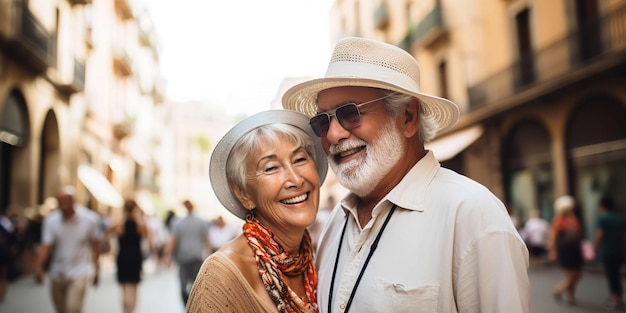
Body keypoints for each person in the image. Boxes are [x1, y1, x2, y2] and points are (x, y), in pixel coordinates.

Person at [282, 36, 529, 312]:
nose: (333, 134)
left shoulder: (472, 215)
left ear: (408, 117)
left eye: (349, 113)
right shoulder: (335, 223)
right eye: (322, 120)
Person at [186, 110, 328, 312]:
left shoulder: (320, 258)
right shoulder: (222, 276)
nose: (296, 180)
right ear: (243, 193)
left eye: (300, 159)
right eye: (270, 168)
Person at [34, 185, 102, 313]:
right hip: (57, 272)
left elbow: (95, 245)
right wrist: (38, 267)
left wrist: (97, 269)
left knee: (73, 309)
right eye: (60, 200)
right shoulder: (51, 221)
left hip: (79, 272)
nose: (63, 204)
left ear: (73, 201)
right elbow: (45, 246)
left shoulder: (89, 220)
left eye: (66, 200)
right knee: (61, 310)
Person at [162, 199, 210, 306]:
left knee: (186, 287)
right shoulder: (198, 222)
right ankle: (193, 307)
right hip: (193, 258)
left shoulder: (179, 222)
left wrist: (167, 255)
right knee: (195, 287)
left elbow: (172, 241)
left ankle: (190, 307)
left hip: (187, 259)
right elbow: (207, 240)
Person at [106, 199, 148, 313]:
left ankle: (125, 310)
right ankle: (131, 311)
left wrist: (109, 246)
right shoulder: (140, 226)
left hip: (123, 258)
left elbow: (106, 232)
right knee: (134, 289)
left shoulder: (119, 226)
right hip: (135, 258)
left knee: (124, 289)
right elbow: (149, 239)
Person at [547, 195, 584, 305]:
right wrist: (552, 251)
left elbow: (579, 233)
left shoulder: (573, 219)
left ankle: (570, 296)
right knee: (574, 273)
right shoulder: (558, 220)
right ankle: (560, 289)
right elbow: (552, 236)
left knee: (574, 273)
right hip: (566, 249)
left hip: (575, 248)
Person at [594, 195, 626, 310]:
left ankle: (615, 299)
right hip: (619, 251)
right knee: (616, 275)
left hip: (608, 252)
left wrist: (594, 249)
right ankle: (619, 298)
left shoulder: (603, 218)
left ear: (602, 205)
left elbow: (599, 236)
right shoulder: (621, 218)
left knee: (612, 276)